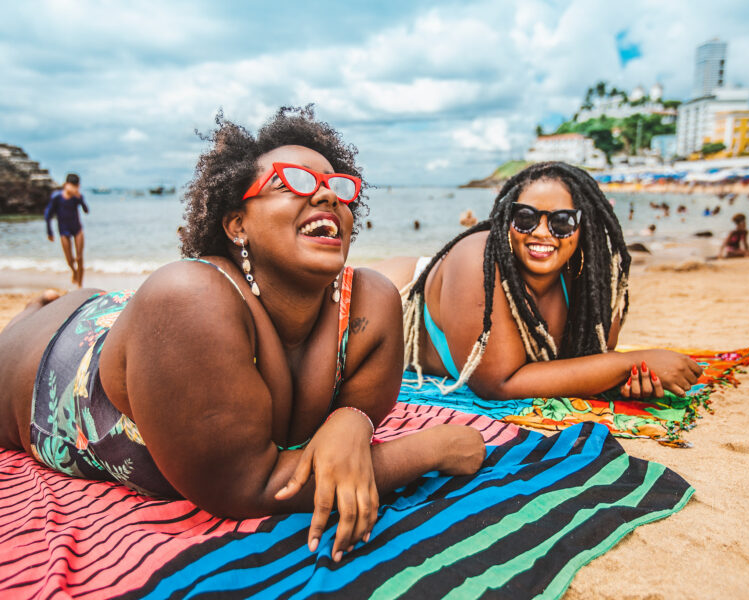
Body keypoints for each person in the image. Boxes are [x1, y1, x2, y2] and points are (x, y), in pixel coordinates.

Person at [0, 107, 485, 562]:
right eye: (294, 181)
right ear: (237, 224)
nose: (327, 195)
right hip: (47, 359)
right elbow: (246, 487)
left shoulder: (371, 303)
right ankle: (40, 307)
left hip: (142, 331)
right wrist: (431, 450)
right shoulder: (188, 298)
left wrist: (351, 421)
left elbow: (367, 400)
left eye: (339, 185)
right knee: (49, 318)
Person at [371, 162, 702, 400]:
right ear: (507, 218)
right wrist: (626, 363)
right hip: (382, 301)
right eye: (526, 218)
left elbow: (595, 358)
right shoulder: (477, 258)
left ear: (583, 227)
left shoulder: (593, 287)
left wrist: (628, 377)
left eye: (562, 221)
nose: (542, 232)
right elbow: (497, 384)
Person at [45, 173, 88, 287]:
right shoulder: (57, 197)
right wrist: (49, 232)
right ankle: (74, 272)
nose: (74, 188)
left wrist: (80, 199)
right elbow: (48, 215)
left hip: (77, 229)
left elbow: (86, 210)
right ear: (65, 185)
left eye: (77, 186)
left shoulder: (77, 197)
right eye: (72, 185)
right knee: (69, 259)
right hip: (64, 231)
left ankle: (80, 284)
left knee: (79, 257)